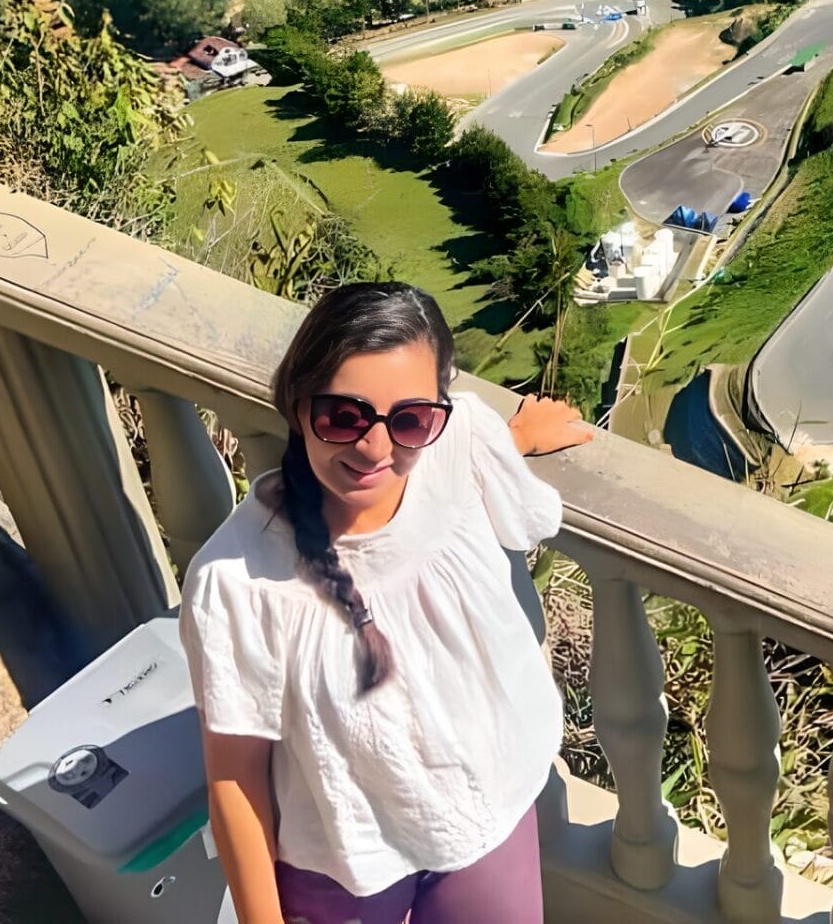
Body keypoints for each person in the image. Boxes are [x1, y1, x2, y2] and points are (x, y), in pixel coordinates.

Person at [180, 282, 592, 924]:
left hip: (480, 812)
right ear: (297, 405)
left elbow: (465, 462)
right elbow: (236, 780)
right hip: (343, 859)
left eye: (410, 420)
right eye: (343, 416)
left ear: (439, 411)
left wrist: (514, 438)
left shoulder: (461, 443)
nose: (375, 449)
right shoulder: (238, 580)